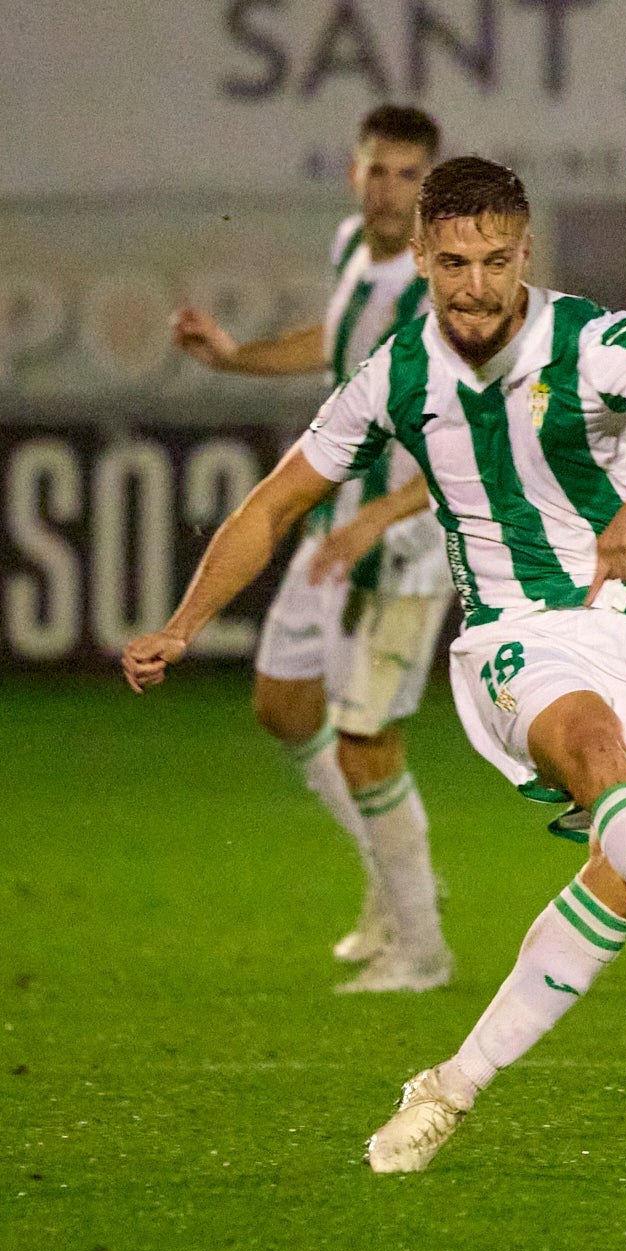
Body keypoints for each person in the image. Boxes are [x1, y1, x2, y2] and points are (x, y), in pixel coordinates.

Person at [125, 155, 626, 1174]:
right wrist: (184, 622)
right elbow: (275, 502)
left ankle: (450, 1086)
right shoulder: (396, 375)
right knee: (592, 749)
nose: (477, 284)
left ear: (523, 251)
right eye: (454, 263)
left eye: (495, 260)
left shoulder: (592, 340)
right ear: (423, 258)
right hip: (511, 638)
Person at [169, 105, 455, 993]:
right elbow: (337, 348)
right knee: (285, 705)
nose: (390, 188)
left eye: (410, 174)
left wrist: (385, 514)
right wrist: (233, 356)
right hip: (339, 520)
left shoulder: (441, 283)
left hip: (401, 534)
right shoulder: (351, 250)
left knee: (369, 739)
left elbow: (467, 433)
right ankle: (395, 878)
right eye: (378, 169)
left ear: (431, 184)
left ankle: (422, 949)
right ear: (353, 173)